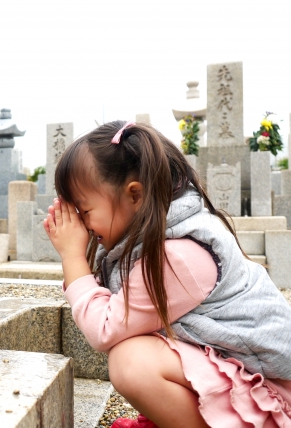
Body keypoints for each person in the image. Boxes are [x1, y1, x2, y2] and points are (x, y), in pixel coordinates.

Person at [43, 120, 291, 428]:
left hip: (270, 394)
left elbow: (105, 328)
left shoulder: (175, 256)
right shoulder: (163, 234)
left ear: (135, 195)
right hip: (246, 371)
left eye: (85, 211)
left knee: (132, 362)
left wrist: (72, 257)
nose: (80, 223)